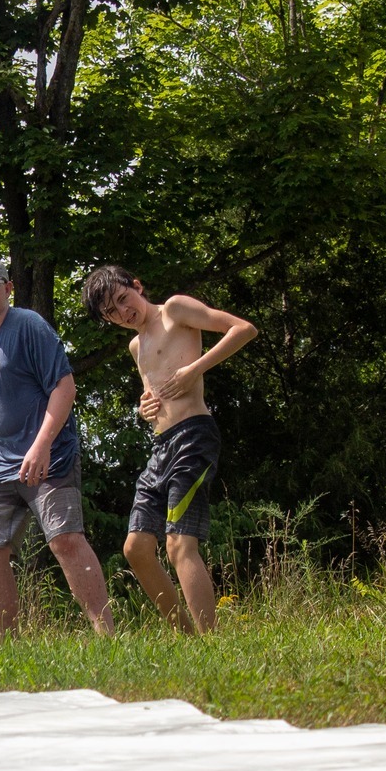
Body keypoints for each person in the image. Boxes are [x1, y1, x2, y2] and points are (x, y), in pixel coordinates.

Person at [0, 255, 115, 641]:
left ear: (8, 288)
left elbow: (63, 387)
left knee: (65, 540)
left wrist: (41, 445)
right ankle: (8, 647)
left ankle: (108, 636)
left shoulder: (28, 325)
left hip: (48, 458)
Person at [83, 266, 257, 634]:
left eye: (123, 300)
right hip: (161, 445)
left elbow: (243, 329)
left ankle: (211, 642)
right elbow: (155, 397)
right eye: (112, 313)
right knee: (136, 549)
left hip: (194, 435)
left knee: (179, 546)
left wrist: (196, 368)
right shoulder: (136, 345)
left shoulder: (174, 309)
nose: (123, 312)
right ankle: (188, 638)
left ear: (138, 285)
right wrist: (144, 408)